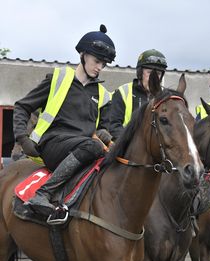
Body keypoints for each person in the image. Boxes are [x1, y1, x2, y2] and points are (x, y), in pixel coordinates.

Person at [13, 24, 115, 216]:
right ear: (83, 55)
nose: (100, 67)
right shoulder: (58, 79)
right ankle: (42, 194)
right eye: (97, 61)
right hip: (53, 145)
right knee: (93, 147)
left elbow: (103, 130)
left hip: (82, 149)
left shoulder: (103, 95)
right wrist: (22, 138)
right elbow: (22, 106)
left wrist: (105, 133)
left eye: (104, 64)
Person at [109, 49, 167, 140]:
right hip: (127, 147)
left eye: (158, 74)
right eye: (150, 73)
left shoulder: (165, 97)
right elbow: (113, 126)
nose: (154, 78)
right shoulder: (123, 92)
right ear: (140, 73)